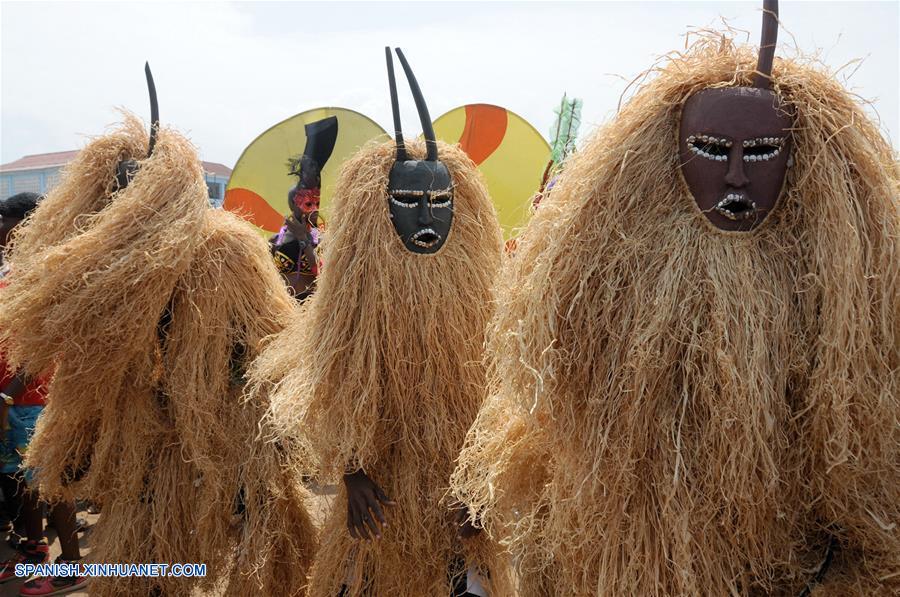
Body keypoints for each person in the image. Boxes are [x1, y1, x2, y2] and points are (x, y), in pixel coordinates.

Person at [451, 1, 899, 595]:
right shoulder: (600, 279)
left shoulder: (848, 293)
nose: (737, 176)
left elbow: (860, 450)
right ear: (670, 156)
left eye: (762, 153)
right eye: (714, 150)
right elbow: (548, 410)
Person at [0, 64, 317, 596]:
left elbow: (271, 345)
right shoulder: (94, 274)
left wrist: (266, 436)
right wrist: (74, 434)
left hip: (227, 439)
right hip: (144, 448)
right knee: (149, 564)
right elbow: (74, 365)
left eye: (142, 197)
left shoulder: (227, 254)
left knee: (259, 556)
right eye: (121, 198)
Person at [249, 48, 512, 596]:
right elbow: (331, 381)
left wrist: (482, 484)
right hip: (384, 490)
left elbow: (499, 390)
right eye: (409, 201)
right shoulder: (355, 296)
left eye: (439, 201)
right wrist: (351, 472)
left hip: (458, 491)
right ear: (380, 207)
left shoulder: (482, 290)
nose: (425, 217)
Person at [0, 192, 87, 595]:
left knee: (50, 483)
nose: (0, 228)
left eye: (5, 220)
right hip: (11, 402)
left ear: (23, 224)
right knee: (22, 482)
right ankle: (34, 553)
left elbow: (44, 345)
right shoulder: (12, 271)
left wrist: (9, 396)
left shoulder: (43, 273)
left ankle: (72, 564)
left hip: (31, 400)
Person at [271, 116, 338, 300]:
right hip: (283, 313)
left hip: (310, 314)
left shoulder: (324, 240)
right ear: (292, 204)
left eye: (315, 203)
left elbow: (324, 277)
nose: (312, 209)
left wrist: (304, 240)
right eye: (306, 203)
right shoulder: (277, 239)